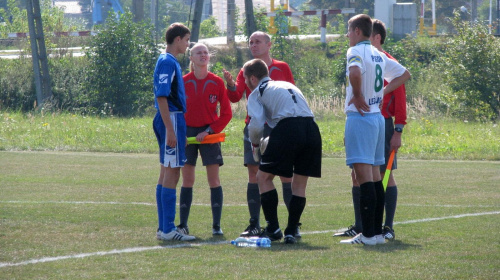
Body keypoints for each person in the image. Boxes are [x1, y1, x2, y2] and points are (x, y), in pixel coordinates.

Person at [339, 14, 410, 245]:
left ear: (357, 31)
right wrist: (381, 94)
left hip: (361, 118)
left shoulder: (355, 51)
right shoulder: (379, 54)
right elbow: (404, 74)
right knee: (374, 175)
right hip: (378, 120)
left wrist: (358, 95)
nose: (347, 35)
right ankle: (377, 233)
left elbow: (355, 73)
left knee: (363, 176)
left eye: (349, 31)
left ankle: (368, 234)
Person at [222, 31, 298, 238]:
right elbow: (236, 96)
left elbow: (292, 92)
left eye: (257, 41)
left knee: (285, 175)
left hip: (279, 128)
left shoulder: (282, 68)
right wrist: (230, 84)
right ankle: (255, 224)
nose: (253, 45)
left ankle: (293, 226)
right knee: (255, 176)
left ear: (269, 44)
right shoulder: (245, 69)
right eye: (251, 42)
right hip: (254, 127)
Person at [244, 58, 322, 244]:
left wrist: (255, 145)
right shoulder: (286, 84)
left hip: (288, 128)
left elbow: (256, 124)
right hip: (311, 128)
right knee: (299, 184)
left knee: (263, 178)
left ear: (253, 78)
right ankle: (291, 230)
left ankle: (273, 228)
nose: (246, 83)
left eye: (246, 79)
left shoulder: (257, 92)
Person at [178, 43, 232, 236]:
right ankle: (182, 224)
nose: (203, 55)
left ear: (209, 57)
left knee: (214, 180)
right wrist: (181, 133)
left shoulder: (217, 82)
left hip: (209, 135)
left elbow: (226, 114)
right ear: (191, 58)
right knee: (187, 180)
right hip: (187, 136)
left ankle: (216, 226)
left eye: (205, 52)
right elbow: (176, 110)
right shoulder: (183, 81)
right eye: (198, 53)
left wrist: (209, 131)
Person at [153, 23, 195, 241]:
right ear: (177, 39)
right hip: (172, 118)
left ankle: (163, 228)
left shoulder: (167, 61)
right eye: (187, 40)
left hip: (171, 119)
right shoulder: (168, 62)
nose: (188, 44)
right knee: (173, 172)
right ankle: (168, 228)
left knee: (165, 171)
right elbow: (162, 96)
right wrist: (171, 129)